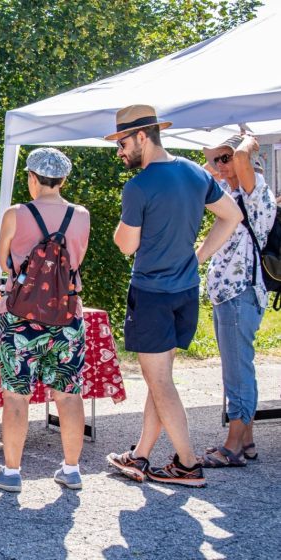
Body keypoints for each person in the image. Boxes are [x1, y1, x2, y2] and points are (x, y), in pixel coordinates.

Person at [104, 105, 242, 488]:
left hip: (151, 294)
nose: (120, 151)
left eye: (123, 142)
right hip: (184, 291)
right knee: (158, 377)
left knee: (160, 382)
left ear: (143, 137)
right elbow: (231, 217)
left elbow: (125, 246)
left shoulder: (139, 186)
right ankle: (141, 455)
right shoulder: (196, 172)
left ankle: (186, 463)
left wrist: (121, 231)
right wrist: (198, 257)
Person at [0, 147, 90, 493]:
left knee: (17, 395)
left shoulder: (16, 214)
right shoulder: (81, 215)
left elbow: (5, 263)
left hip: (20, 318)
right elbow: (74, 263)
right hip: (67, 315)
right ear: (62, 180)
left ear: (32, 178)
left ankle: (12, 473)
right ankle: (71, 469)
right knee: (68, 393)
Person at [200, 135, 276, 467]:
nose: (220, 165)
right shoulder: (232, 194)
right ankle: (247, 441)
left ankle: (232, 446)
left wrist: (247, 140)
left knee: (237, 370)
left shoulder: (254, 189)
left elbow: (243, 160)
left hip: (240, 292)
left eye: (225, 159)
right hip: (231, 293)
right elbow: (205, 171)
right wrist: (218, 159)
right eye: (218, 160)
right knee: (239, 366)